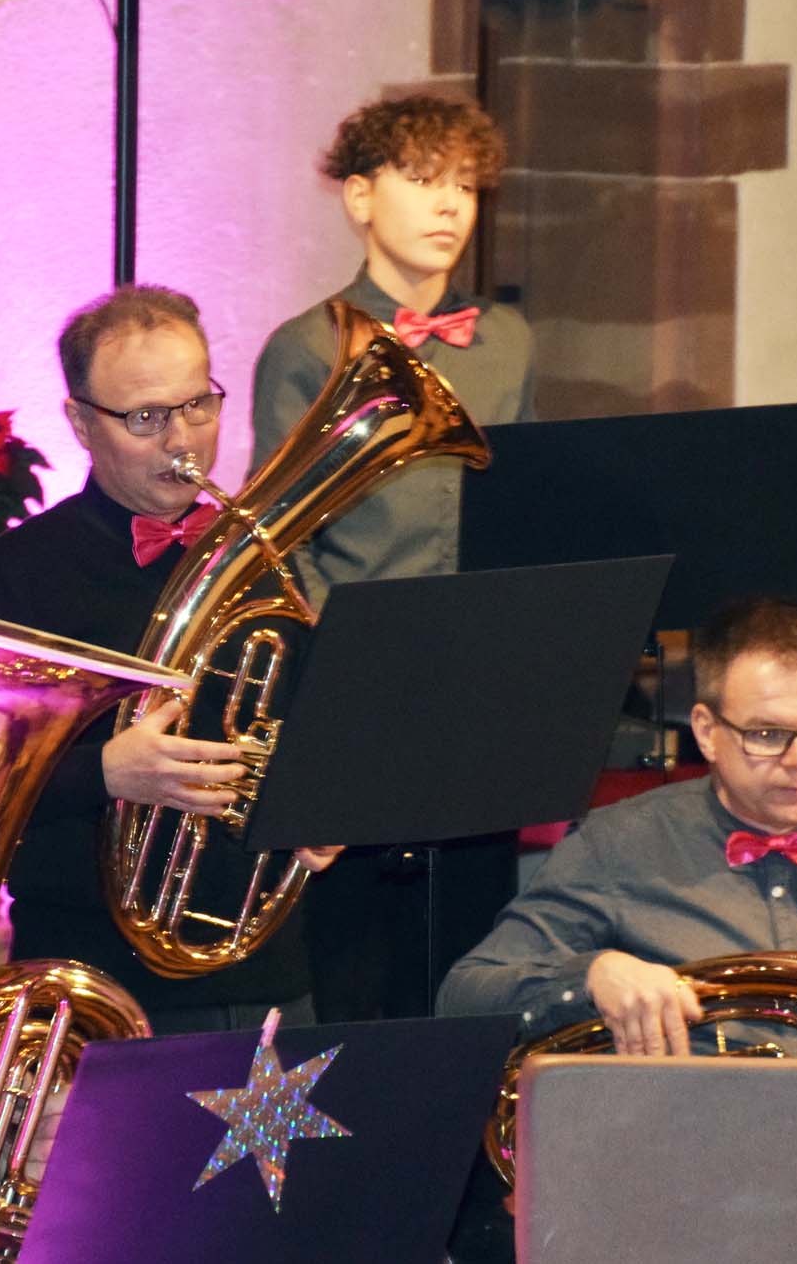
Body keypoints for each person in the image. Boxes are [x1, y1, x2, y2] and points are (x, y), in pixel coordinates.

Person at [0, 285, 338, 1035]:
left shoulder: (268, 560)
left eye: (199, 405)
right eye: (146, 418)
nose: (183, 440)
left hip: (270, 979)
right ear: (81, 423)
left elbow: (318, 729)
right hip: (91, 989)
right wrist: (106, 771)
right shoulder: (7, 579)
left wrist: (325, 805)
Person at [249, 93, 537, 1022]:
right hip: (358, 685)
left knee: (469, 955)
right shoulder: (305, 347)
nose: (452, 205)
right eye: (423, 180)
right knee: (358, 962)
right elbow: (281, 544)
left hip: (481, 687)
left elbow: (523, 512)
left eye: (465, 184)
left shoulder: (508, 341)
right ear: (362, 198)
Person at [437, 598, 797, 1054]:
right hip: (684, 1127)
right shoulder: (618, 845)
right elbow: (467, 994)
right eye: (767, 734)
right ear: (707, 731)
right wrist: (593, 975)